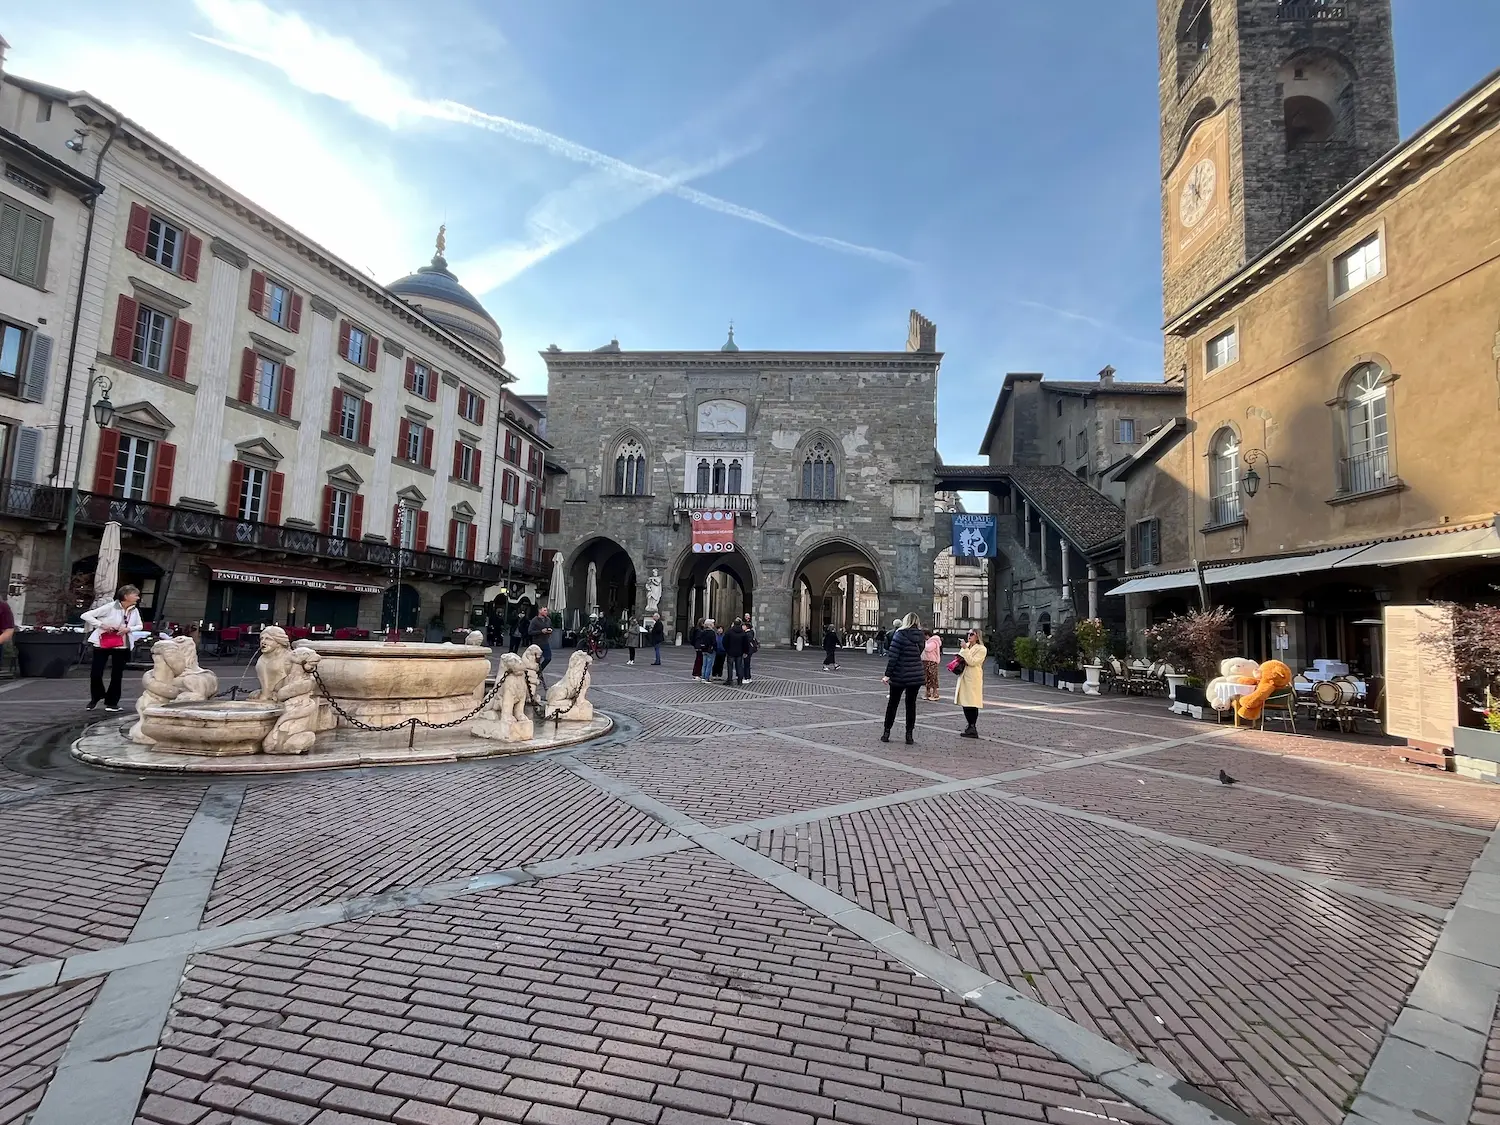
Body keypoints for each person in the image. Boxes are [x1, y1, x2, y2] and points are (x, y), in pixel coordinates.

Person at [82, 584, 144, 712]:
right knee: (96, 672)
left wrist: (128, 629)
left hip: (122, 644)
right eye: (135, 594)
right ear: (126, 596)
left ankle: (112, 702)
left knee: (117, 674)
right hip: (103, 642)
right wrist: (101, 625)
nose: (138, 597)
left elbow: (139, 625)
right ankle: (97, 696)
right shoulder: (110, 607)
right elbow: (86, 615)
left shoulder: (134, 610)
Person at [881, 613, 926, 744]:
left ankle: (886, 732)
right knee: (911, 705)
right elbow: (919, 652)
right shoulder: (920, 636)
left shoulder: (899, 635)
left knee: (893, 704)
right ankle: (909, 735)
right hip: (915, 674)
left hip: (899, 674)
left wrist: (887, 675)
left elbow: (893, 657)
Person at [954, 628, 988, 738]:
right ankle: (969, 726)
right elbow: (961, 658)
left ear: (977, 636)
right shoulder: (968, 645)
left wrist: (965, 649)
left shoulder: (981, 649)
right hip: (964, 676)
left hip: (973, 678)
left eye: (972, 634)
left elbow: (972, 662)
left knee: (972, 702)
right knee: (965, 701)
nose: (969, 636)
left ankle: (973, 726)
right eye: (968, 634)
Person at [528, 605, 554, 677]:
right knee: (536, 661)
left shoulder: (548, 619)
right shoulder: (534, 620)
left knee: (548, 658)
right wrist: (541, 631)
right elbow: (530, 632)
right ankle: (532, 674)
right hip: (537, 643)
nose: (546, 612)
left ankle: (539, 671)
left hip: (545, 642)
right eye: (544, 610)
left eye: (546, 610)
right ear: (540, 611)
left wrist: (550, 630)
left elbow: (551, 627)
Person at [922, 630, 943, 701]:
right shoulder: (928, 642)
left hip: (932, 661)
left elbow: (928, 648)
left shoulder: (934, 641)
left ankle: (935, 693)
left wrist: (923, 643)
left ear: (927, 635)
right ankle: (927, 692)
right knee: (926, 677)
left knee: (933, 677)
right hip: (925, 661)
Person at [724, 618, 747, 685]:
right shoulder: (743, 633)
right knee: (739, 666)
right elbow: (745, 643)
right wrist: (745, 651)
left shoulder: (729, 631)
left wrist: (727, 649)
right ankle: (740, 680)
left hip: (730, 652)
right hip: (739, 652)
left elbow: (724, 641)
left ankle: (730, 680)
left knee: (730, 666)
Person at [740, 613, 756, 683]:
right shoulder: (749, 633)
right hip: (749, 651)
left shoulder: (748, 634)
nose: (742, 627)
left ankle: (746, 677)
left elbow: (746, 643)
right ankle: (748, 677)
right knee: (747, 664)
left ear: (746, 627)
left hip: (747, 651)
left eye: (743, 626)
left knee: (746, 664)